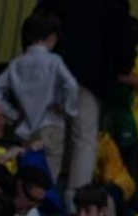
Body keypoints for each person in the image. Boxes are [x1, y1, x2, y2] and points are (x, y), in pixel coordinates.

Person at [40, 0, 132, 190]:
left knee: (50, 133)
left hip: (54, 68)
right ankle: (78, 197)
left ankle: (40, 192)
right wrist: (123, 66)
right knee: (84, 139)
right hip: (92, 74)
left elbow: (39, 20)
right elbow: (122, 34)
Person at [0, 9, 78, 181]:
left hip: (26, 128)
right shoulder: (54, 61)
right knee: (48, 178)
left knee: (28, 176)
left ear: (28, 35)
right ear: (53, 37)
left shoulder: (17, 63)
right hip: (52, 125)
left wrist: (13, 113)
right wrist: (67, 108)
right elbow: (71, 85)